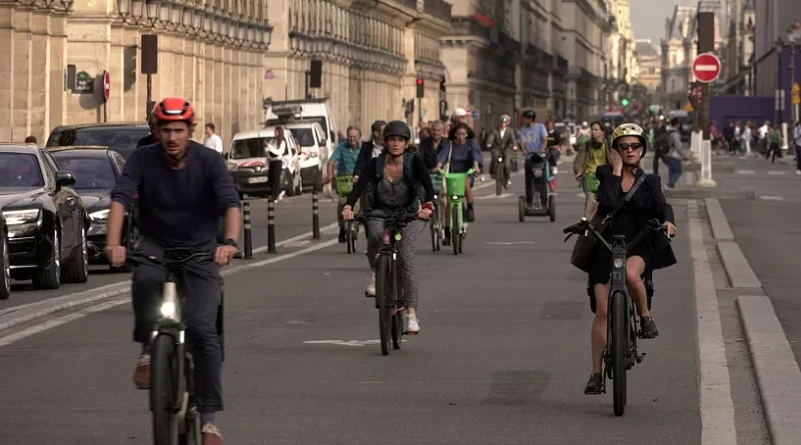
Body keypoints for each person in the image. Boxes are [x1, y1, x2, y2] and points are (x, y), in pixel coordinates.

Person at [106, 96, 241, 445]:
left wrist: (228, 242)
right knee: (145, 278)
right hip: (156, 246)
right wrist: (115, 242)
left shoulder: (210, 161)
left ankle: (209, 421)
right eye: (165, 129)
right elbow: (121, 198)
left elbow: (230, 203)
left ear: (190, 130)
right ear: (156, 130)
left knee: (203, 330)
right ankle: (149, 349)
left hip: (200, 251)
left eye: (179, 130)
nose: (172, 137)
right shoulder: (142, 159)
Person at [584, 123, 677, 395]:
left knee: (632, 275)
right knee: (602, 311)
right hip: (607, 243)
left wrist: (669, 222)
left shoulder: (650, 181)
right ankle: (596, 373)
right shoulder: (605, 174)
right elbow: (610, 204)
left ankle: (645, 316)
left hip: (638, 242)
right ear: (615, 151)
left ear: (642, 148)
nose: (630, 151)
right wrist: (614, 172)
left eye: (635, 145)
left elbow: (663, 205)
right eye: (623, 147)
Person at [340, 121, 435, 334]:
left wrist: (428, 206)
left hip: (408, 214)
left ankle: (411, 314)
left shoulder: (414, 162)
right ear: (385, 142)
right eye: (391, 139)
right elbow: (359, 186)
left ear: (406, 143)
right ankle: (375, 270)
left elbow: (429, 187)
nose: (395, 144)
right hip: (379, 211)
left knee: (407, 259)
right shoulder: (376, 163)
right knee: (374, 235)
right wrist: (348, 205)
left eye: (400, 140)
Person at [436, 122, 480, 233]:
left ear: (466, 134)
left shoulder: (471, 143)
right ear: (455, 134)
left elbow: (475, 154)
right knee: (449, 202)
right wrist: (438, 166)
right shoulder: (450, 144)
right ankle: (446, 229)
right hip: (452, 174)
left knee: (466, 185)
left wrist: (476, 166)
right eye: (458, 134)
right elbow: (443, 155)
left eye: (463, 134)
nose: (460, 136)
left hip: (467, 173)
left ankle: (470, 208)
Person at [328, 126, 362, 242]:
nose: (352, 139)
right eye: (350, 137)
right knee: (342, 203)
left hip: (358, 182)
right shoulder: (342, 147)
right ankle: (342, 228)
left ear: (359, 137)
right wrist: (330, 176)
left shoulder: (363, 149)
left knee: (360, 205)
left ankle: (357, 224)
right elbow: (331, 161)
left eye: (354, 137)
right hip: (343, 182)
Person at [573, 121, 611, 219]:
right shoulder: (586, 145)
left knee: (605, 201)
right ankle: (588, 223)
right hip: (589, 175)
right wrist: (579, 171)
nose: (593, 132)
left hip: (605, 176)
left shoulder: (609, 145)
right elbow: (579, 159)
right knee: (590, 199)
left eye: (596, 130)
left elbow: (615, 160)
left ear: (602, 132)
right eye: (592, 130)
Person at [517, 109, 549, 210]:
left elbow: (545, 139)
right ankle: (529, 202)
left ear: (530, 119)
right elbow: (522, 141)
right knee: (529, 181)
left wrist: (542, 148)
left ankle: (544, 202)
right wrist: (523, 150)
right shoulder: (523, 129)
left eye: (525, 119)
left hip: (540, 158)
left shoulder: (540, 127)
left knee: (542, 181)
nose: (524, 121)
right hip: (529, 157)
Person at [485, 114, 517, 188]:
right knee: (494, 158)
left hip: (507, 149)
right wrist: (489, 143)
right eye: (502, 122)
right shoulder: (495, 130)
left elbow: (513, 139)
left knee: (507, 164)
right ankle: (493, 173)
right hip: (497, 148)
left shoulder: (510, 131)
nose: (503, 124)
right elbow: (491, 137)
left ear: (507, 123)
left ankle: (507, 178)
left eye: (504, 123)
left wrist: (515, 145)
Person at [266, 126, 289, 202]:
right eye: (275, 132)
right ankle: (279, 192)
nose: (275, 133)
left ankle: (274, 196)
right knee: (270, 180)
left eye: (276, 132)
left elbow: (278, 152)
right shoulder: (272, 141)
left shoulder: (282, 142)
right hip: (271, 161)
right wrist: (267, 149)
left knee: (276, 180)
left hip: (277, 162)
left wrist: (270, 148)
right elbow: (268, 151)